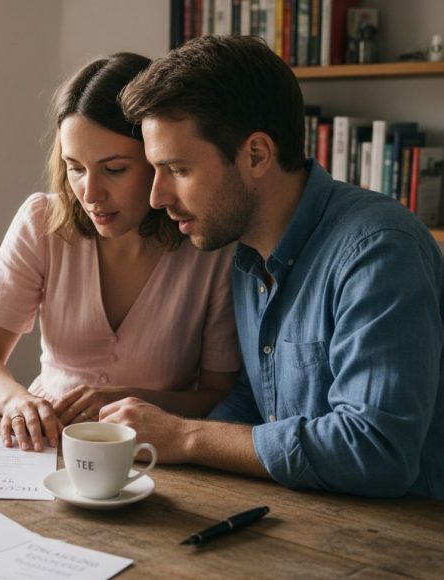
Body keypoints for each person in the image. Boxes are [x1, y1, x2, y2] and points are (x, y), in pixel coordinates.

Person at [102, 35, 444, 499]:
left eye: (178, 170)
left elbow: (377, 451)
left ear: (257, 155)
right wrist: (163, 447)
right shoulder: (245, 251)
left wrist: (185, 437)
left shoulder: (379, 251)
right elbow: (258, 399)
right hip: (301, 518)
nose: (157, 198)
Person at [0, 53, 241, 452]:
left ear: (157, 158)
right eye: (75, 167)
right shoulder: (42, 221)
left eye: (115, 169)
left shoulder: (209, 248)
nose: (90, 194)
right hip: (45, 446)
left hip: (152, 453)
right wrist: (15, 400)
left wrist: (128, 400)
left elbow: (217, 394)